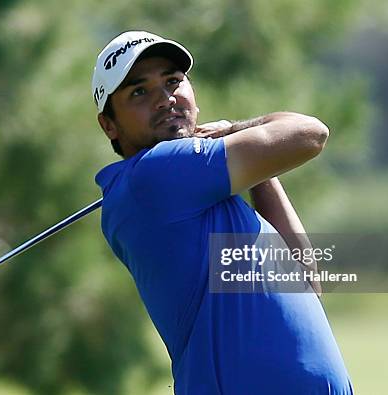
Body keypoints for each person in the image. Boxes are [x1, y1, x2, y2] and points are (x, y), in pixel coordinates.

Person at [92, 31, 354, 394]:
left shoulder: (195, 191)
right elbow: (309, 133)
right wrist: (235, 130)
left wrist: (257, 172)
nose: (165, 99)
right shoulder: (155, 175)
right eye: (140, 92)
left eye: (173, 81)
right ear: (110, 125)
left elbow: (305, 280)